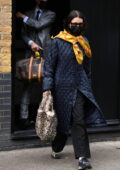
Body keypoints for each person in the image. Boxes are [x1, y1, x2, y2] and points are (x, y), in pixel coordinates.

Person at [42, 10, 106, 170]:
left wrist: (87, 85)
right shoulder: (57, 42)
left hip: (80, 87)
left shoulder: (84, 41)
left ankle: (83, 157)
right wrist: (47, 88)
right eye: (74, 24)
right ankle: (56, 147)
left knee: (79, 120)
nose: (77, 26)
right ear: (67, 23)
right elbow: (49, 67)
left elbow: (87, 68)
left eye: (80, 24)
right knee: (63, 121)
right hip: (61, 87)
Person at [16, 0, 56, 129]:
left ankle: (46, 118)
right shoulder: (29, 13)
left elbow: (38, 25)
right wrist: (30, 43)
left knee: (48, 86)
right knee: (27, 87)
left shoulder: (51, 14)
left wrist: (23, 17)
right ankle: (23, 118)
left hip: (46, 54)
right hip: (30, 55)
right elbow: (24, 33)